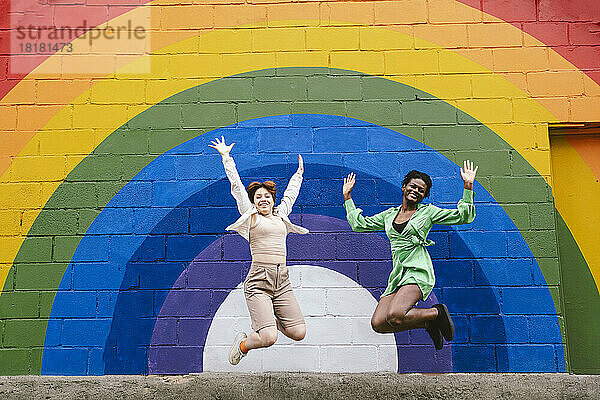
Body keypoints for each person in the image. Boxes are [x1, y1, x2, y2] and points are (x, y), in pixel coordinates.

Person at [341, 161, 478, 350]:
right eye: (413, 186)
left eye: (421, 190)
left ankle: (436, 314)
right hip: (398, 275)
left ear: (424, 195)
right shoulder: (389, 215)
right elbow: (359, 225)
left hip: (418, 270)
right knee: (379, 323)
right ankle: (427, 323)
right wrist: (348, 197)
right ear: (404, 187)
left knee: (395, 315)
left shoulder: (428, 212)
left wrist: (468, 186)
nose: (416, 191)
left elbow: (464, 217)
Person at [209, 136, 308, 365]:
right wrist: (226, 157)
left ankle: (267, 318)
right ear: (254, 202)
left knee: (298, 332)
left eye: (267, 196)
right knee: (269, 337)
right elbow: (237, 188)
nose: (262, 199)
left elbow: (291, 195)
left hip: (282, 281)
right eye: (258, 197)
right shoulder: (251, 218)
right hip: (259, 281)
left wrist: (299, 174)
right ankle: (243, 344)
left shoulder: (282, 216)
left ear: (273, 200)